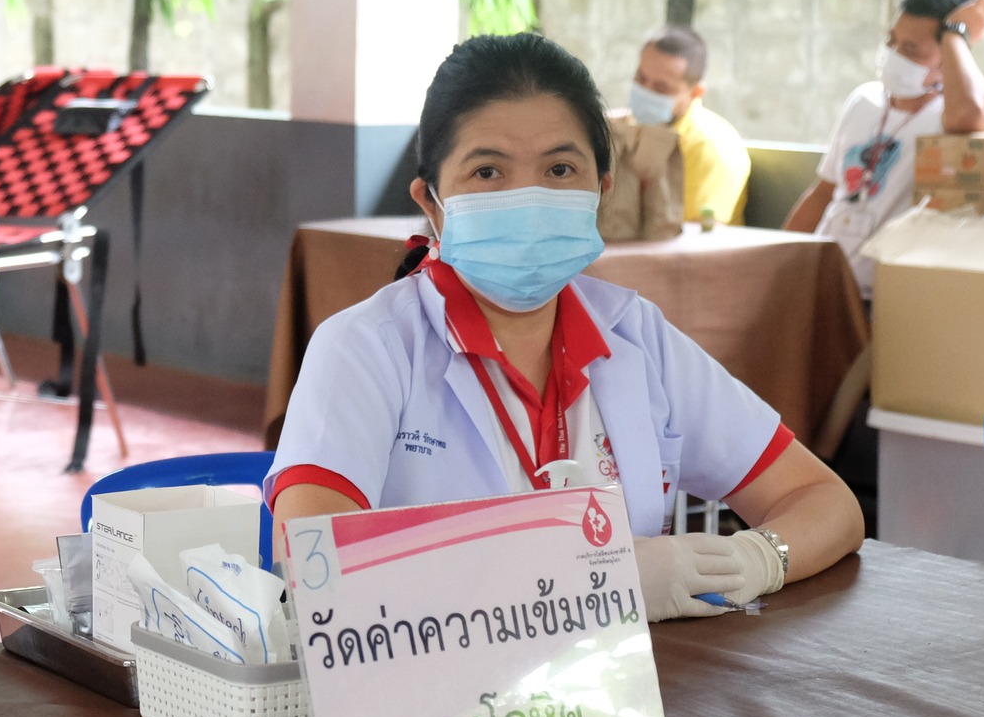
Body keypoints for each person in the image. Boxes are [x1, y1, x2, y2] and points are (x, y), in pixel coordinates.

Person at [269, 33, 863, 621]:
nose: (528, 196)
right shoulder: (365, 347)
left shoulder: (634, 336)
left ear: (601, 191)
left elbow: (825, 502)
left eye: (559, 168)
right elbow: (318, 574)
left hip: (622, 700)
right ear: (431, 202)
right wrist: (599, 580)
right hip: (435, 706)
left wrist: (756, 558)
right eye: (487, 173)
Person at [783, 0, 984, 295]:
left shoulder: (955, 113)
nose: (893, 54)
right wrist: (777, 261)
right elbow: (823, 193)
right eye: (891, 41)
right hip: (819, 284)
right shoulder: (864, 100)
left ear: (949, 56)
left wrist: (956, 33)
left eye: (911, 49)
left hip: (880, 297)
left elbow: (969, 116)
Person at [627, 25, 750, 225]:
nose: (645, 92)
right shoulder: (629, 127)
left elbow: (696, 239)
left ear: (695, 92)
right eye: (640, 78)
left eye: (661, 88)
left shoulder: (710, 146)